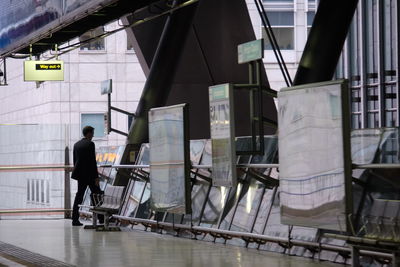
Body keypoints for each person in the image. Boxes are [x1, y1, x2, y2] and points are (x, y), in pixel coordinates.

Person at [71, 126, 103, 226]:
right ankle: (101, 218)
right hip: (90, 175)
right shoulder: (90, 144)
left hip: (80, 175)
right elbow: (92, 162)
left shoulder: (76, 144)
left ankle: (74, 219)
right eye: (92, 133)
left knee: (79, 196)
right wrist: (96, 177)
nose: (93, 135)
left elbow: (75, 160)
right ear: (88, 133)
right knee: (97, 195)